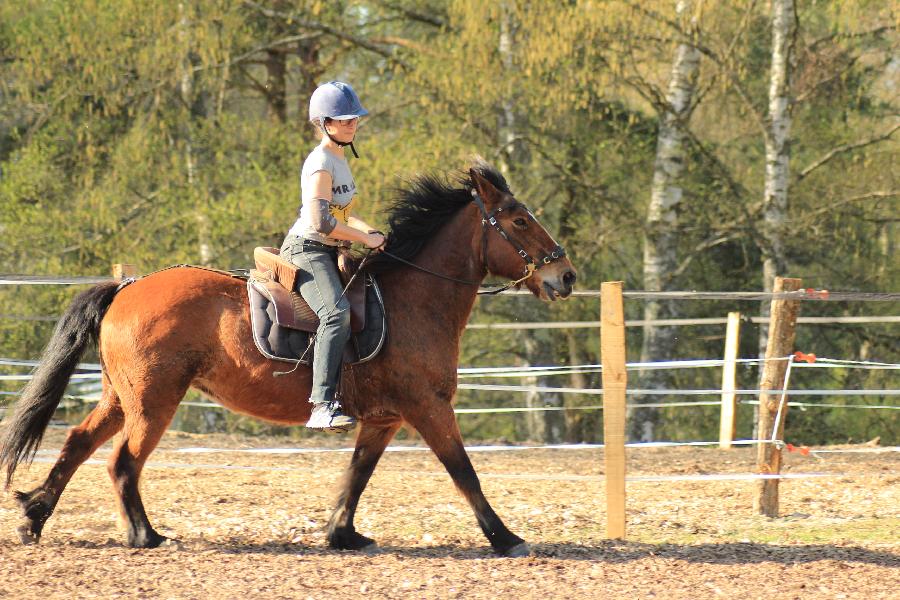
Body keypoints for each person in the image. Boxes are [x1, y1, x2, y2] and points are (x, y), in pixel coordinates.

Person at [280, 81, 385, 432]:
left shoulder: (340, 159)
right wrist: (362, 238)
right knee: (336, 314)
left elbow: (342, 214)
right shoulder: (321, 162)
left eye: (354, 118)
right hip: (307, 251)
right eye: (343, 119)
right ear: (324, 123)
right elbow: (321, 222)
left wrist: (370, 233)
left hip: (326, 247)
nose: (352, 123)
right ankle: (322, 405)